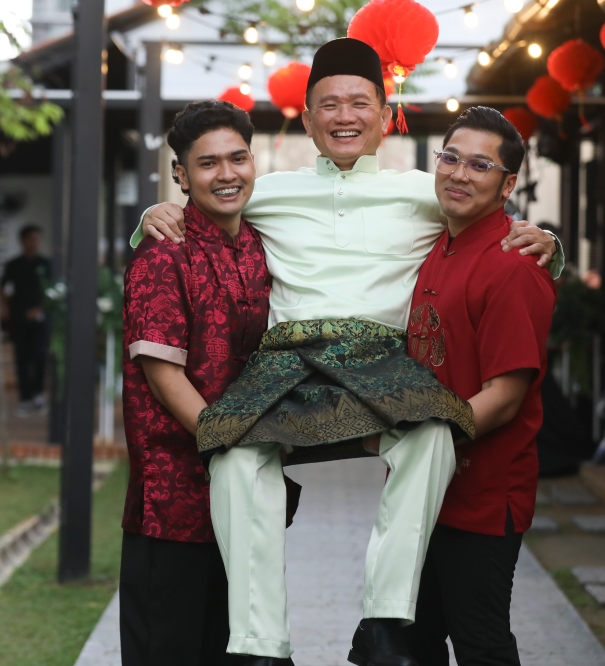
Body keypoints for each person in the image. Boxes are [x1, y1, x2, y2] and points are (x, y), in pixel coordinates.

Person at [132, 38, 563, 666]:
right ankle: (259, 646)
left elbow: (494, 220)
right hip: (285, 359)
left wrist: (549, 238)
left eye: (359, 102)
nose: (343, 115)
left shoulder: (429, 190)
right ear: (305, 120)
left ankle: (386, 622)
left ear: (385, 116)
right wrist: (151, 213)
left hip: (377, 358)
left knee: (433, 434)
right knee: (230, 454)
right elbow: (200, 202)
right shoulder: (265, 190)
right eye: (327, 104)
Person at [121, 100, 299, 665]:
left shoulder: (263, 241)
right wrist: (231, 450)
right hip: (173, 502)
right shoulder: (163, 254)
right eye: (207, 163)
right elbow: (163, 373)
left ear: (254, 161)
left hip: (245, 501)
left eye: (237, 158)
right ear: (180, 174)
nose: (226, 174)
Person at [400, 107, 555, 665]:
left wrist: (422, 444)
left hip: (482, 494)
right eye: (450, 158)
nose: (460, 174)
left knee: (480, 642)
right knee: (413, 641)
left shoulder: (514, 266)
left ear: (507, 184)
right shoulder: (436, 246)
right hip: (425, 492)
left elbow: (506, 395)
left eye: (480, 165)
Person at [0, 224, 51, 416]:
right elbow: (3, 288)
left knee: (39, 356)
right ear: (23, 241)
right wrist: (4, 307)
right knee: (21, 358)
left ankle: (38, 395)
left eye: (37, 239)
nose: (34, 243)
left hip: (40, 319)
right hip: (19, 319)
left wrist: (40, 309)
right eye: (31, 239)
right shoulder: (14, 264)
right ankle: (24, 398)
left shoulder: (46, 264)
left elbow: (52, 291)